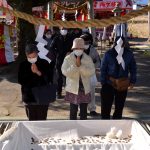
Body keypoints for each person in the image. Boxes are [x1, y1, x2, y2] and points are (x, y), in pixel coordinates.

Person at [100, 36, 137, 119]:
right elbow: (103, 68)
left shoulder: (129, 54)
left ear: (124, 45)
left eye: (122, 45)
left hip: (122, 83)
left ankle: (117, 124)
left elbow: (133, 68)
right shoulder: (108, 54)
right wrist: (103, 82)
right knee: (106, 107)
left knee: (119, 108)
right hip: (109, 82)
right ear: (115, 44)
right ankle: (104, 124)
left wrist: (132, 81)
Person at [18, 44, 54, 120]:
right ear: (26, 55)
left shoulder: (44, 63)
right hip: (29, 98)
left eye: (33, 56)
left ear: (37, 53)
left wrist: (38, 72)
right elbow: (20, 80)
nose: (32, 58)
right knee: (32, 122)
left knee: (42, 120)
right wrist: (30, 74)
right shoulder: (23, 65)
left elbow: (49, 79)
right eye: (29, 57)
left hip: (42, 98)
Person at [61, 38, 95, 120]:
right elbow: (64, 72)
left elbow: (92, 71)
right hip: (73, 89)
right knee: (73, 111)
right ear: (73, 49)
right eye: (76, 48)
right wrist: (75, 66)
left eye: (80, 48)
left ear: (83, 49)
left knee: (83, 112)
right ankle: (72, 129)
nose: (78, 50)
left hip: (84, 89)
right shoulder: (68, 58)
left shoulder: (88, 58)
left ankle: (83, 130)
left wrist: (81, 67)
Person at [50, 27, 74, 99]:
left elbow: (74, 47)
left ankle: (69, 92)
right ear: (60, 30)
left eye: (65, 29)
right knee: (59, 77)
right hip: (59, 60)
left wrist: (70, 52)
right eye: (63, 29)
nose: (64, 30)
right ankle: (58, 92)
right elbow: (52, 48)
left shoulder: (70, 38)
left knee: (68, 76)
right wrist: (57, 53)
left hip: (68, 59)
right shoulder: (56, 38)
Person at [80, 34, 101, 116]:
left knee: (92, 92)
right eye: (83, 42)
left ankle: (92, 109)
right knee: (81, 93)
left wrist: (92, 67)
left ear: (90, 42)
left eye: (86, 42)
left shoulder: (93, 50)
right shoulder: (78, 50)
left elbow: (98, 62)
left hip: (91, 74)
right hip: (80, 75)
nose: (85, 44)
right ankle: (81, 109)